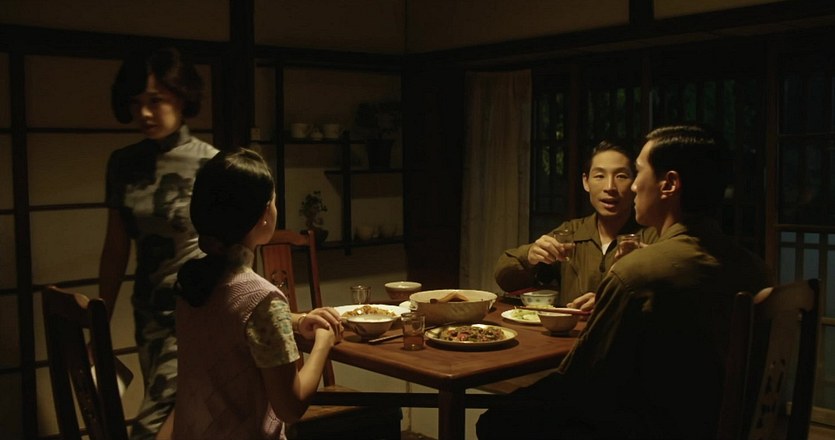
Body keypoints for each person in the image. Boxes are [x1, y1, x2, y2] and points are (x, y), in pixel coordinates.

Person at [477, 124, 771, 439]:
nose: (629, 187)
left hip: (652, 424)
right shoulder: (755, 268)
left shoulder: (638, 269)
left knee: (499, 420)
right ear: (586, 182)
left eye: (635, 173)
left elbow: (583, 379)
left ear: (669, 184)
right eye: (600, 176)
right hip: (712, 420)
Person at [174, 148, 342, 439]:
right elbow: (290, 406)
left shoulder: (193, 283)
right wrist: (323, 343)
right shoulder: (262, 299)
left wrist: (295, 320)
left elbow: (233, 322)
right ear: (265, 215)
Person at [99, 47, 218, 439]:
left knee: (151, 428)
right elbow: (116, 247)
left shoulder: (211, 164)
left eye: (156, 101)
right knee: (181, 424)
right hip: (147, 312)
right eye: (136, 103)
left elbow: (237, 250)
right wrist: (99, 319)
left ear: (182, 97)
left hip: (196, 311)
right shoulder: (122, 163)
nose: (144, 113)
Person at [494, 140, 657, 310]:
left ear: (635, 182)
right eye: (599, 176)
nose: (610, 187)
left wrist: (608, 300)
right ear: (586, 182)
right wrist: (530, 256)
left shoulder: (652, 236)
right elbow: (504, 278)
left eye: (621, 176)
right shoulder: (571, 233)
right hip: (570, 327)